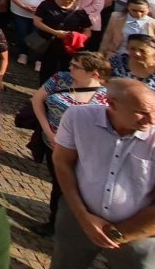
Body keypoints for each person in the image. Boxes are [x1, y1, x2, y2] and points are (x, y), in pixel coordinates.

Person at [50, 79, 155, 268]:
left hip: (138, 231)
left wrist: (117, 233)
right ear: (112, 104)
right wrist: (82, 216)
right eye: (142, 113)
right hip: (77, 218)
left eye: (154, 111)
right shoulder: (78, 118)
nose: (151, 119)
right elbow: (62, 161)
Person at [30, 51, 110, 237]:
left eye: (76, 66)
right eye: (71, 63)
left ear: (94, 74)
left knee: (66, 186)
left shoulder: (104, 98)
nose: (70, 68)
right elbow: (37, 99)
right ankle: (55, 220)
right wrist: (48, 131)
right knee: (57, 182)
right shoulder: (61, 79)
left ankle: (60, 223)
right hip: (51, 143)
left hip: (80, 152)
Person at [34, 0, 94, 83]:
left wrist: (75, 37)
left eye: (71, 0)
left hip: (68, 48)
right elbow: (37, 22)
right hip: (49, 44)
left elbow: (87, 32)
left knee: (65, 72)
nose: (67, 1)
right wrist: (55, 32)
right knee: (47, 70)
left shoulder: (80, 12)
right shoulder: (47, 5)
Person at [6, 0, 55, 66]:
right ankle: (23, 53)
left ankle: (38, 59)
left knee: (37, 35)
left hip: (38, 14)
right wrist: (22, 5)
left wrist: (41, 8)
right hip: (20, 12)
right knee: (22, 33)